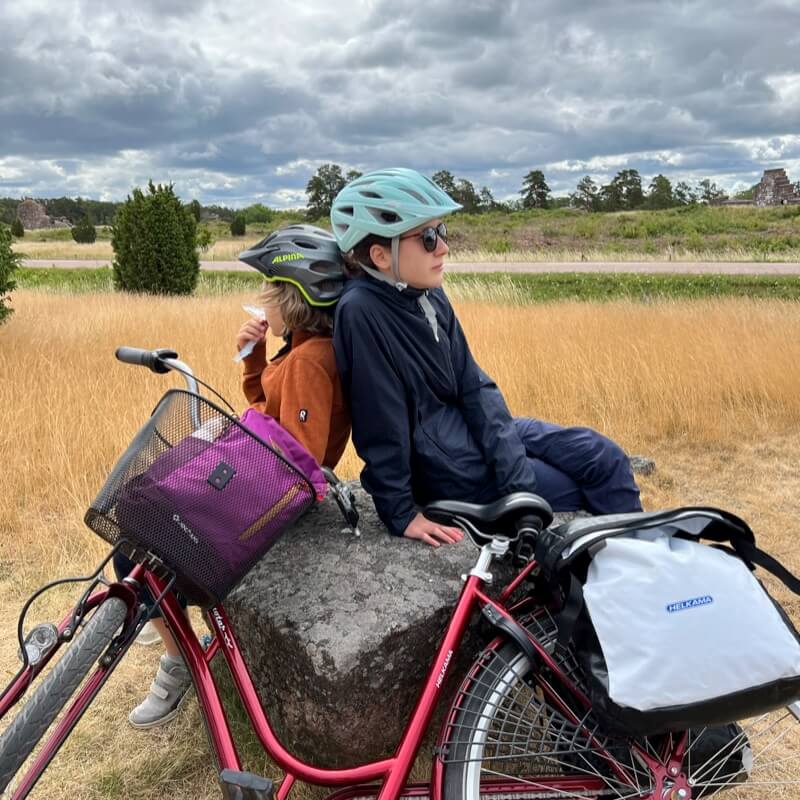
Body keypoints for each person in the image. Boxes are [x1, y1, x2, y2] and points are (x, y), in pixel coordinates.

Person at [115, 224, 350, 727]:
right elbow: (269, 412)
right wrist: (255, 360)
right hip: (258, 480)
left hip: (266, 494)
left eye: (271, 292)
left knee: (137, 536)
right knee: (144, 524)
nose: (264, 303)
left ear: (297, 295)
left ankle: (179, 662)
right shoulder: (305, 349)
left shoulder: (311, 360)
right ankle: (185, 654)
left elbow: (297, 455)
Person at [330, 168, 642, 548]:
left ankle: (647, 570)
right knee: (578, 491)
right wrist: (400, 512)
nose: (443, 247)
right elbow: (380, 419)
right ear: (380, 255)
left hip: (474, 435)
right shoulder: (362, 311)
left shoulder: (425, 293)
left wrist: (516, 481)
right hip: (450, 467)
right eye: (428, 238)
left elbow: (473, 385)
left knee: (604, 456)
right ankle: (629, 575)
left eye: (442, 232)